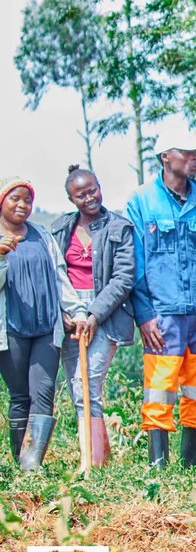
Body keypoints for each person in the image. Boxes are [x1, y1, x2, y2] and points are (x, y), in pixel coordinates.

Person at [127, 130, 196, 469]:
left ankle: (193, 467)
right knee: (159, 390)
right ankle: (159, 468)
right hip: (162, 314)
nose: (194, 159)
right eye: (186, 153)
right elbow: (135, 263)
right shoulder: (142, 201)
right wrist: (144, 314)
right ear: (165, 157)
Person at [0, 176, 88, 471]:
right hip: (9, 329)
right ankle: (18, 460)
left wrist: (75, 311)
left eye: (27, 199)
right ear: (2, 201)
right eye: (15, 198)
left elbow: (60, 277)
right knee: (20, 395)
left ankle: (32, 464)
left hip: (46, 327)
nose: (22, 205)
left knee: (44, 392)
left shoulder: (42, 236)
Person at [50, 166, 136, 469]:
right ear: (71, 198)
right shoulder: (60, 228)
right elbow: (54, 276)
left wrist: (93, 315)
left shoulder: (119, 228)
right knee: (79, 388)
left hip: (106, 314)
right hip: (69, 315)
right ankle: (100, 457)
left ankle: (92, 464)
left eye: (93, 190)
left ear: (100, 187)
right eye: (81, 194)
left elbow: (124, 279)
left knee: (85, 383)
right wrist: (68, 313)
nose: (90, 198)